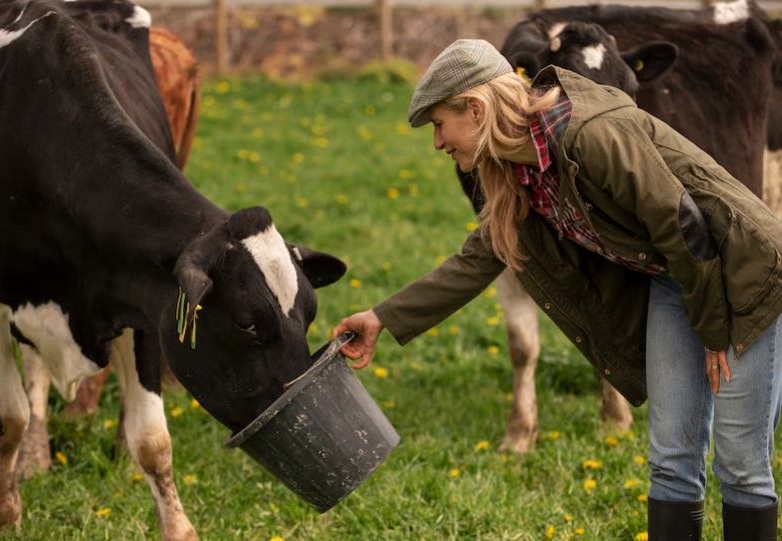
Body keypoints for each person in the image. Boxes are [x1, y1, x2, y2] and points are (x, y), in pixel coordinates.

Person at [331, 39, 782, 540]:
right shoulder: (516, 170)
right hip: (678, 281)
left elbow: (682, 224)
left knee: (741, 463)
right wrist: (382, 318)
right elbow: (479, 258)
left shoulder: (591, 134)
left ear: (476, 109)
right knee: (671, 460)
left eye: (439, 124)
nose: (438, 142)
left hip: (742, 271)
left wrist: (713, 332)